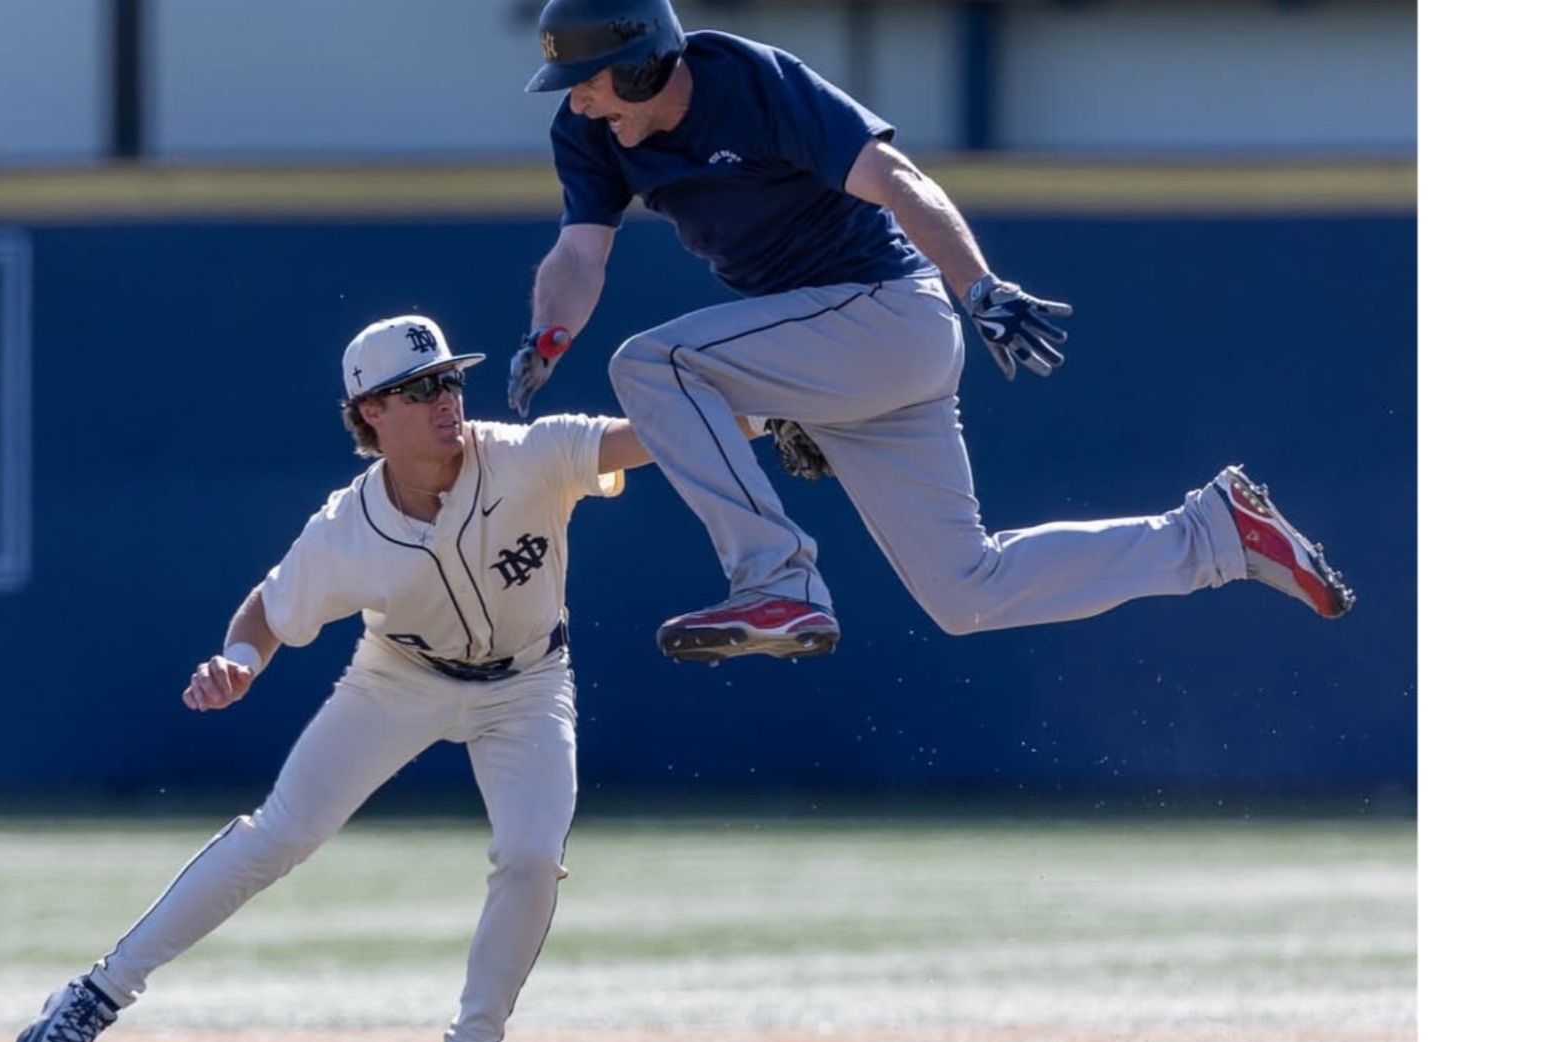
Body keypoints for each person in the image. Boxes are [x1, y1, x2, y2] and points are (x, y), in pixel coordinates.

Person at [506, 0, 1353, 664]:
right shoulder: (591, 132)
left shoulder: (756, 83)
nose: (578, 97)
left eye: (592, 78)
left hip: (886, 313)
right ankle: (1213, 535)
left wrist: (978, 286)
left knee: (652, 362)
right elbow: (579, 257)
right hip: (832, 349)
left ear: (648, 62)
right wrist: (547, 337)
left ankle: (774, 581)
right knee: (968, 592)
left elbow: (899, 180)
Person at [13, 314, 658, 1042]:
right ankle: (94, 995)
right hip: (401, 677)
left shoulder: (528, 455)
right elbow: (266, 609)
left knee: (529, 856)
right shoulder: (348, 528)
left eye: (450, 379)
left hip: (528, 680)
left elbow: (649, 435)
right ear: (370, 415)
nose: (445, 398)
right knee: (280, 835)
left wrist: (777, 405)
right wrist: (240, 662)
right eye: (418, 389)